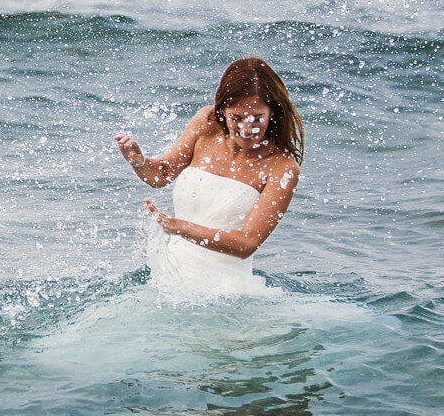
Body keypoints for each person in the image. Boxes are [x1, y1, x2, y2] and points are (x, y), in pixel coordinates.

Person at [114, 57, 303, 296]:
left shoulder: (282, 167)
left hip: (228, 295)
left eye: (257, 118)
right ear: (222, 110)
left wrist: (179, 227)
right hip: (168, 283)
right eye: (237, 118)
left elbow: (247, 243)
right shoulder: (206, 123)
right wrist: (139, 162)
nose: (247, 128)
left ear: (272, 112)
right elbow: (161, 175)